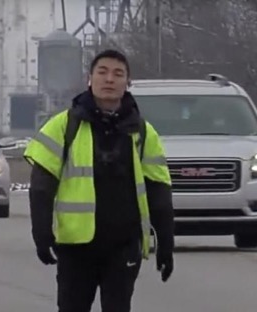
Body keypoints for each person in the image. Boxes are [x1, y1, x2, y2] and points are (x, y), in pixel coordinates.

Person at [23, 49, 174, 312]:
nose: (109, 79)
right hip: (75, 248)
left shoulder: (142, 132)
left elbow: (159, 191)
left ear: (127, 83)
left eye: (118, 74)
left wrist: (166, 243)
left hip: (124, 247)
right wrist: (42, 234)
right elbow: (40, 188)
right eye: (102, 72)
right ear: (89, 79)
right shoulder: (62, 126)